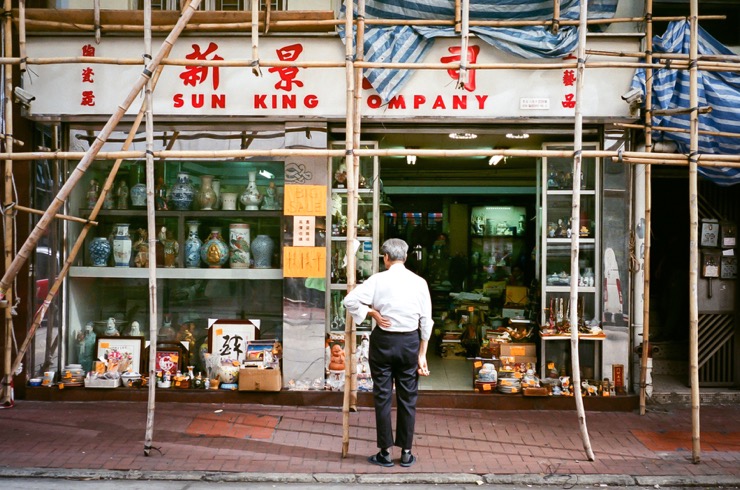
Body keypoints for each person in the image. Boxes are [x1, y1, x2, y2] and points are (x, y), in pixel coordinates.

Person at [343, 238, 433, 468]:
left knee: (382, 396)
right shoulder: (419, 282)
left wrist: (371, 313)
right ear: (405, 257)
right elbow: (426, 321)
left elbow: (349, 301)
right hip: (409, 342)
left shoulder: (377, 280)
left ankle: (384, 452)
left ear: (385, 258)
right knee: (408, 398)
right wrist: (422, 353)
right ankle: (406, 452)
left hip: (383, 342)